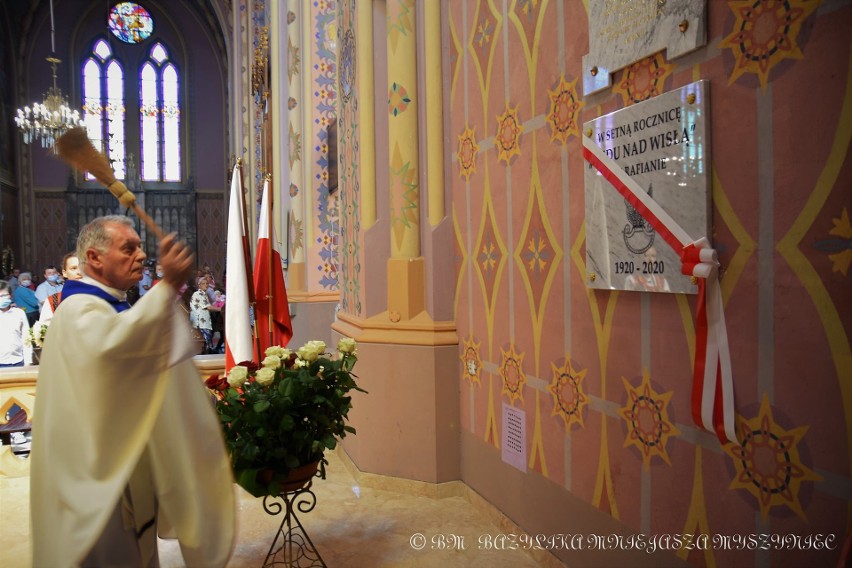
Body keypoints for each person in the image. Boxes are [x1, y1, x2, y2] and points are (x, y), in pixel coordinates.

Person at [30, 215, 234, 567]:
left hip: (123, 472)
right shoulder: (78, 310)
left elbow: (149, 359)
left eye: (141, 247)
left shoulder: (110, 306)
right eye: (129, 248)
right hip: (95, 481)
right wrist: (168, 286)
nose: (141, 256)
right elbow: (120, 348)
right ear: (94, 258)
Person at [38, 252, 83, 325]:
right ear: (64, 273)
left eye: (83, 267)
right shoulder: (53, 301)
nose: (79, 272)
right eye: (73, 268)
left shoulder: (100, 296)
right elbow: (45, 330)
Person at [0, 280, 29, 367]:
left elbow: (26, 337)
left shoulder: (19, 313)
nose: (2, 298)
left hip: (18, 361)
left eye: (5, 295)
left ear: (11, 296)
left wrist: (28, 361)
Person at [190, 276, 220, 353]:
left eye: (207, 283)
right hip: (200, 322)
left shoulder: (204, 294)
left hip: (204, 321)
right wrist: (221, 309)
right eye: (203, 284)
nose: (206, 285)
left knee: (208, 340)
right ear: (199, 285)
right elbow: (208, 307)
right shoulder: (198, 294)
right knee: (205, 342)